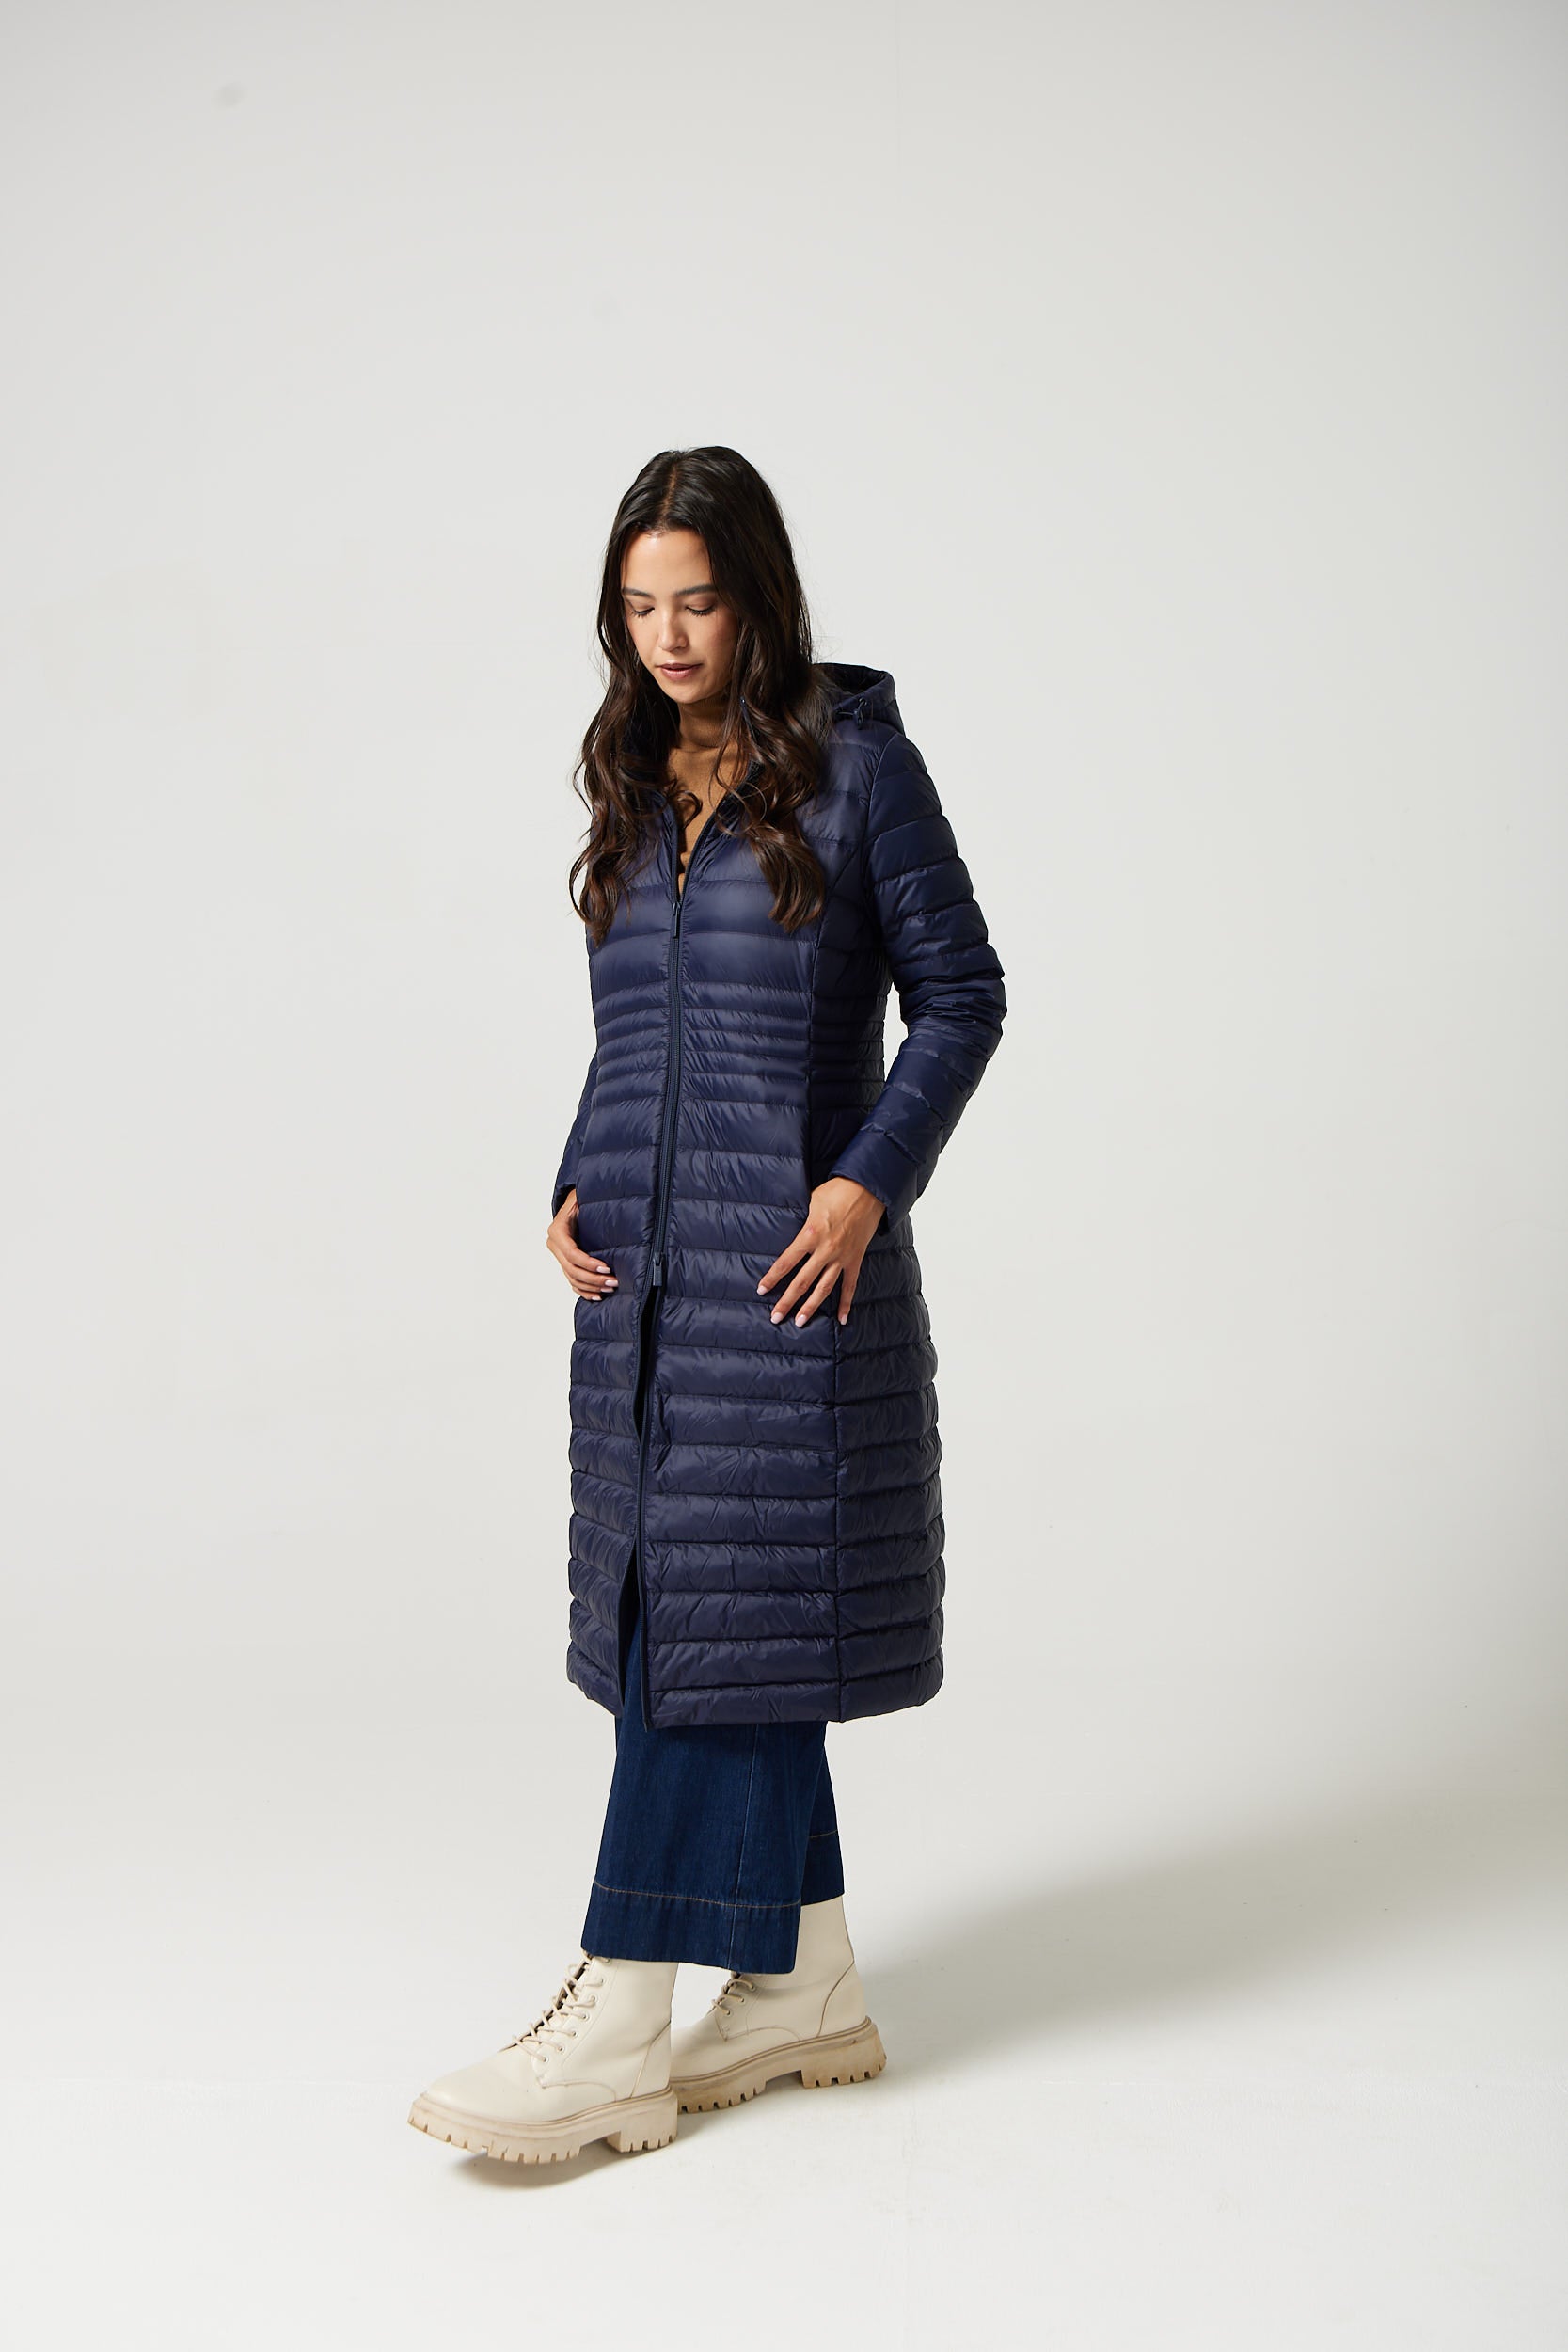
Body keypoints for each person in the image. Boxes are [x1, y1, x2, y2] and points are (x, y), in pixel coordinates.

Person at [409, 446, 1006, 2167]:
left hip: (791, 1288)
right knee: (698, 1620)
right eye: (639, 607)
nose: (668, 637)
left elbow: (963, 996)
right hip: (641, 1291)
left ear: (759, 599)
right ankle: (806, 1981)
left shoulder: (859, 770)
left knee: (714, 1628)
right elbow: (645, 1036)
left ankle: (618, 2013)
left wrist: (866, 1179)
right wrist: (574, 1173)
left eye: (699, 601)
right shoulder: (631, 778)